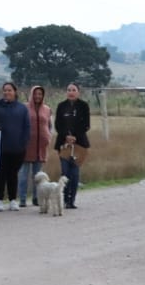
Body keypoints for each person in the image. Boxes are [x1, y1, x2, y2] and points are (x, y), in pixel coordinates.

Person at [0, 82, 31, 211]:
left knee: (13, 174)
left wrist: (23, 144)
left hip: (18, 148)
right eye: (5, 90)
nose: (7, 93)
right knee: (0, 175)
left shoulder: (22, 108)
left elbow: (27, 127)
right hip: (1, 148)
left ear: (15, 92)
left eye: (9, 90)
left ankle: (13, 199)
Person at [54, 82, 91, 210]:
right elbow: (58, 125)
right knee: (65, 172)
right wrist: (66, 136)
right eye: (69, 90)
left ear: (78, 92)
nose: (71, 92)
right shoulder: (61, 106)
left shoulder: (84, 106)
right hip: (64, 144)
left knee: (74, 173)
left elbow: (86, 124)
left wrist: (75, 136)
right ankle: (63, 199)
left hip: (79, 145)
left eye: (73, 90)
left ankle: (71, 200)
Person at [18, 85, 52, 208]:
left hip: (41, 147)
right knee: (23, 175)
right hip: (27, 146)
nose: (38, 96)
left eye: (40, 94)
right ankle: (22, 199)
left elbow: (49, 125)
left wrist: (48, 137)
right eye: (36, 93)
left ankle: (37, 198)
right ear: (32, 94)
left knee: (38, 176)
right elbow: (19, 125)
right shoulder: (24, 107)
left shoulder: (47, 109)